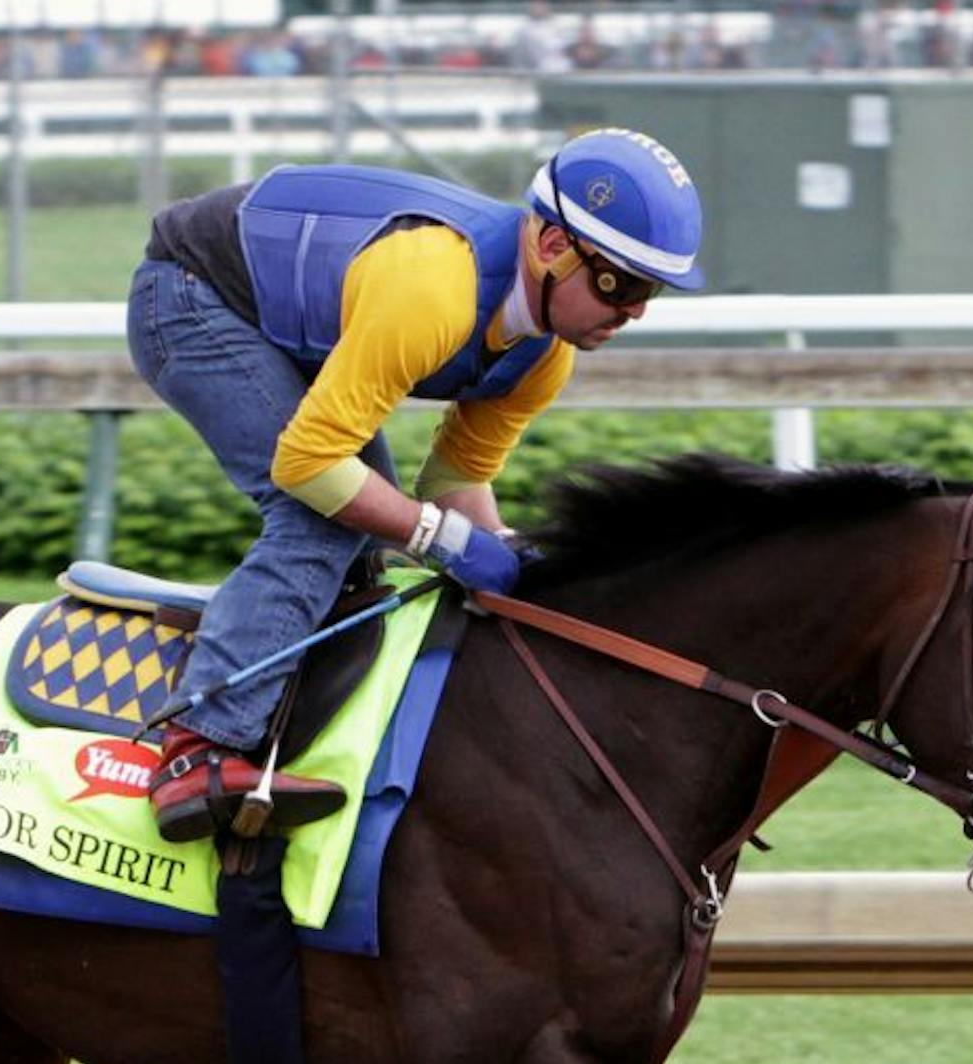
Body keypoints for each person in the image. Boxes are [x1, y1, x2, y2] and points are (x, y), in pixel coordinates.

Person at [126, 129, 706, 843]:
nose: (634, 313)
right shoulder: (434, 290)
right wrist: (440, 538)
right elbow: (308, 466)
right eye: (622, 284)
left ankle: (294, 737)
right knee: (325, 521)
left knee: (365, 539)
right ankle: (200, 744)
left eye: (652, 293)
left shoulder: (543, 358)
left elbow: (457, 478)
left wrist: (502, 555)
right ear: (552, 245)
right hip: (191, 297)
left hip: (286, 325)